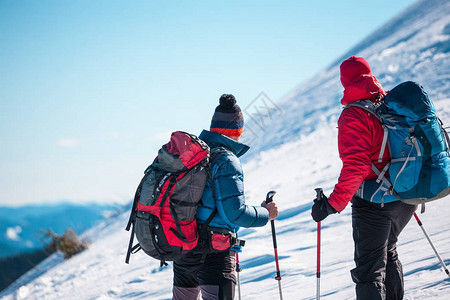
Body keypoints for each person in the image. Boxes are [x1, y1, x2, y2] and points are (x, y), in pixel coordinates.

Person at [311, 56, 417, 300]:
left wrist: (330, 204)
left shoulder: (354, 115)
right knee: (389, 254)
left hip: (374, 203)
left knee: (370, 271)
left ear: (344, 81)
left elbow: (356, 166)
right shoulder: (389, 103)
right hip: (405, 195)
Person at [172, 94, 279, 300]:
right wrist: (265, 213)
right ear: (238, 131)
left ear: (213, 128)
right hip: (214, 253)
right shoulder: (226, 159)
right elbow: (234, 213)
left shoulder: (193, 154)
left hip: (183, 249)